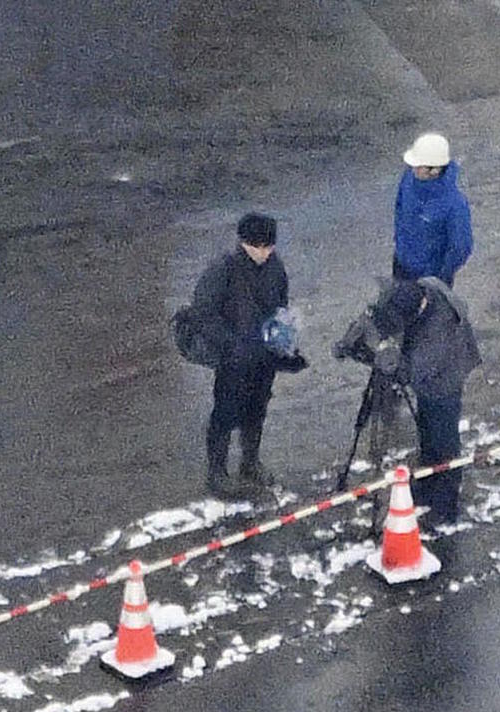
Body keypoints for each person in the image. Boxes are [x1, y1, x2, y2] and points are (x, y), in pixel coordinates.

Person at [339, 273, 480, 522]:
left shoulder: (436, 332)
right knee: (427, 429)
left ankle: (446, 502)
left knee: (443, 438)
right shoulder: (414, 291)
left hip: (445, 380)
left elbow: (408, 373)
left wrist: (382, 357)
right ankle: (427, 482)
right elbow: (382, 308)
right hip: (431, 373)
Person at [191, 212, 304, 493]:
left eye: (269, 246)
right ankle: (217, 472)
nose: (265, 252)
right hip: (233, 360)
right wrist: (230, 344)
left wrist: (284, 341)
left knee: (257, 409)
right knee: (226, 413)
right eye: (259, 247)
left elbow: (281, 306)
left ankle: (250, 462)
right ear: (244, 243)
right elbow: (204, 314)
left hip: (263, 357)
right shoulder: (222, 270)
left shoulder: (275, 268)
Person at [391, 133, 473, 286]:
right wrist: (399, 246)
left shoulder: (454, 204)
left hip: (430, 279)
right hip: (402, 266)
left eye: (418, 166)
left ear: (434, 170)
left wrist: (439, 281)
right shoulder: (409, 178)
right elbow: (399, 209)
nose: (413, 168)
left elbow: (461, 247)